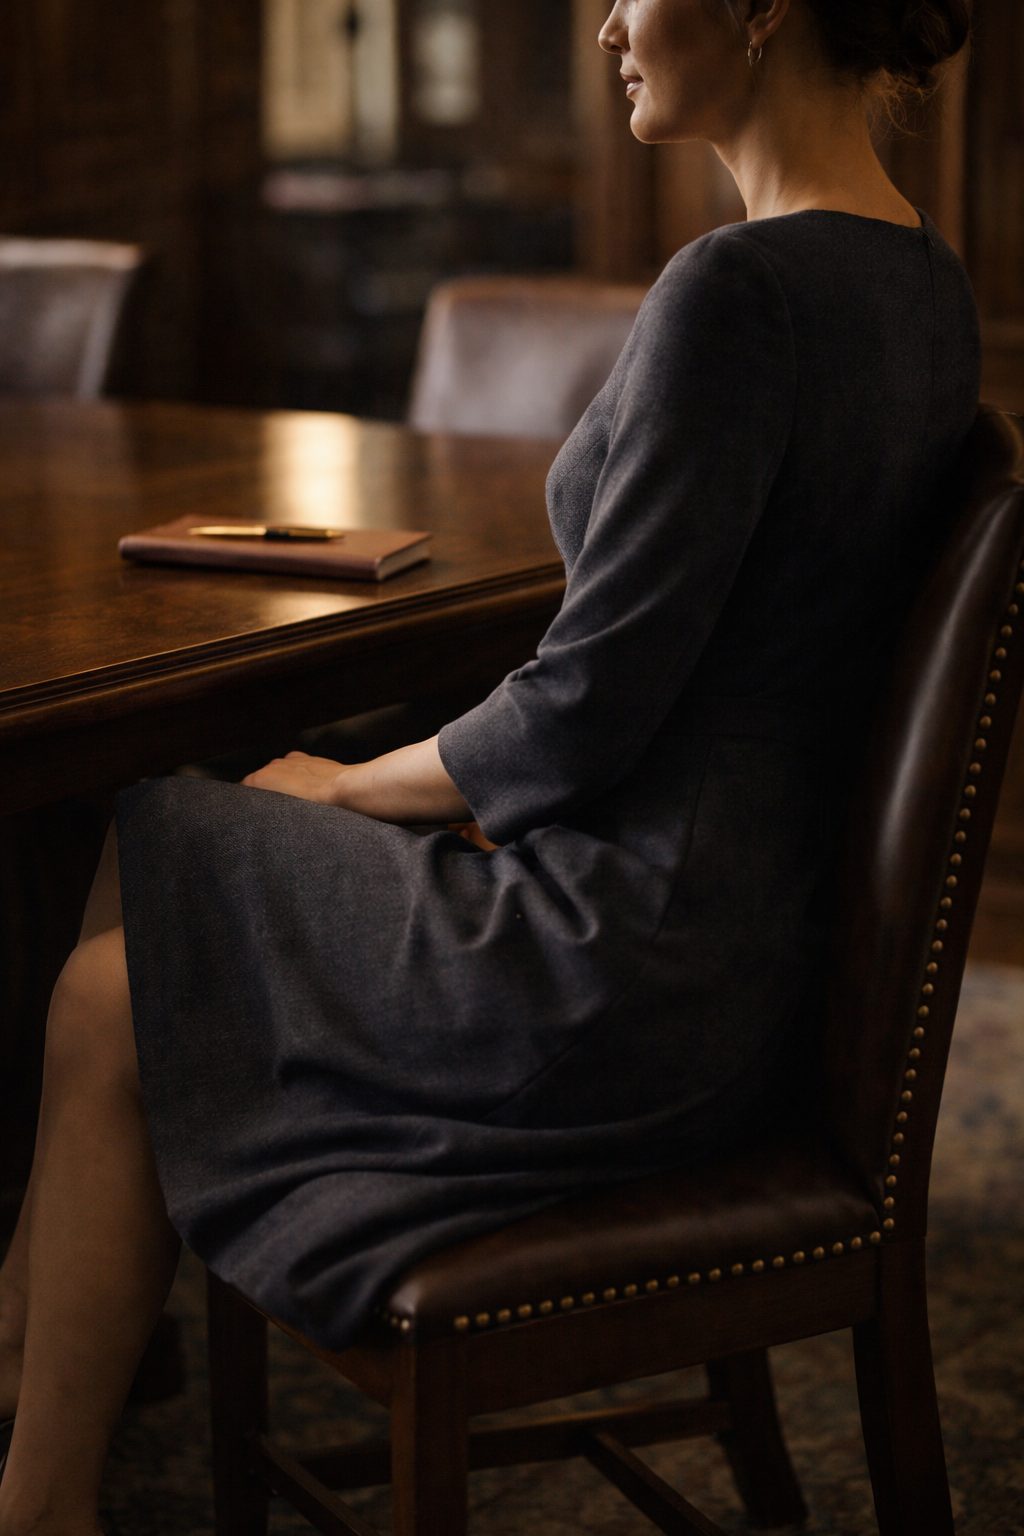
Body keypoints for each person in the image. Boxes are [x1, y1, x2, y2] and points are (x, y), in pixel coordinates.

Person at [0, 0, 977, 1529]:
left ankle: (39, 1478)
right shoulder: (922, 275)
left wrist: (344, 791)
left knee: (117, 948)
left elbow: (583, 708)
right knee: (173, 839)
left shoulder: (739, 293)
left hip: (616, 971)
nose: (604, 21)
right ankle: (37, 1351)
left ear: (762, 9)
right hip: (737, 956)